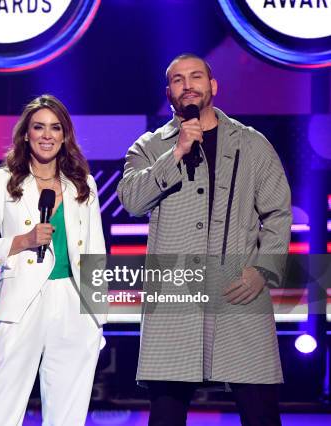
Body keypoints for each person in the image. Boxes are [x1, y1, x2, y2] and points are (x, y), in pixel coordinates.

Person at [117, 53, 291, 426]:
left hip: (237, 290)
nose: (188, 85)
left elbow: (277, 213)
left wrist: (262, 269)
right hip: (177, 292)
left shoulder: (252, 144)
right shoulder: (148, 147)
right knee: (166, 412)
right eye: (178, 80)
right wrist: (176, 151)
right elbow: (131, 199)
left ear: (213, 86)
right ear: (169, 94)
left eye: (196, 77)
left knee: (259, 409)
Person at [0, 94, 106, 425]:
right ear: (26, 134)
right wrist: (22, 241)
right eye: (39, 127)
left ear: (64, 135)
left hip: (74, 305)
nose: (47, 135)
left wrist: (98, 318)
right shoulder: (4, 180)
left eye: (55, 128)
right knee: (1, 410)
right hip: (22, 304)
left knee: (68, 415)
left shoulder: (82, 184)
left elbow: (95, 252)